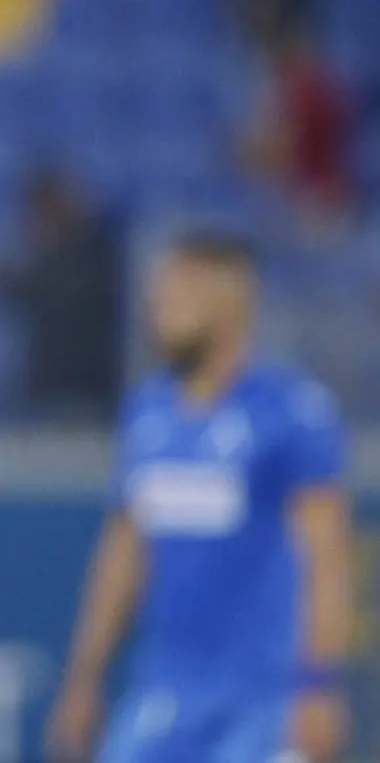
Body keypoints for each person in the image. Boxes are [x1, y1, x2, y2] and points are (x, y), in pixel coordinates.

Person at [46, 232, 352, 763]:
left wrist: (318, 683)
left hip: (264, 699)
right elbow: (124, 554)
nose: (157, 313)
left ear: (228, 307)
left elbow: (326, 559)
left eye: (176, 298)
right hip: (165, 689)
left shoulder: (290, 412)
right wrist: (85, 676)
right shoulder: (148, 412)